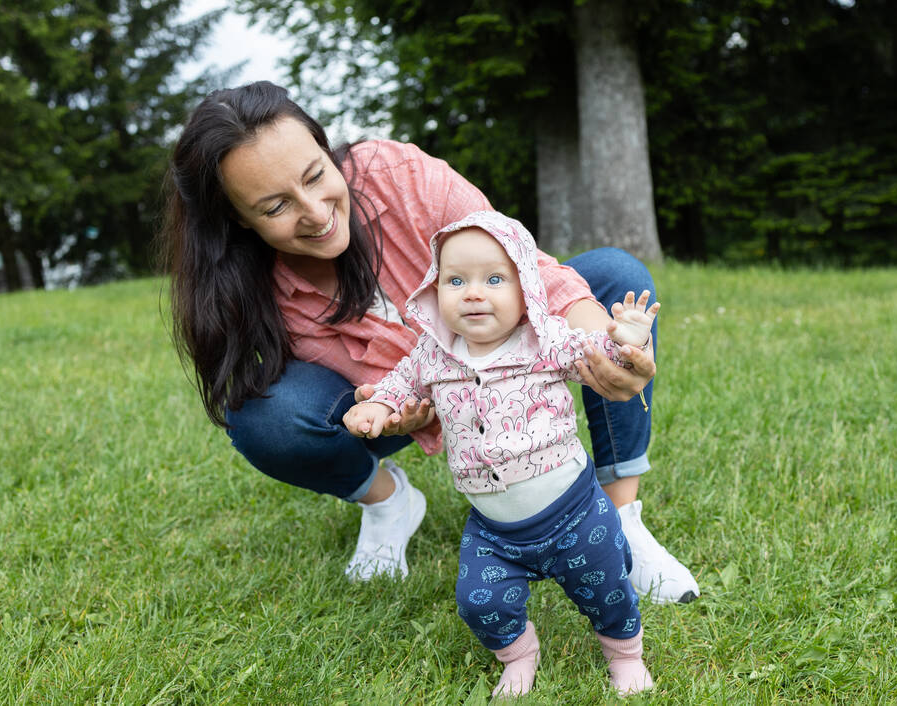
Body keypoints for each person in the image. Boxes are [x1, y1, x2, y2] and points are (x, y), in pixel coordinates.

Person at [159, 80, 698, 603]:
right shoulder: (252, 290)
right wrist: (397, 409)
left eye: (316, 175)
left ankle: (620, 518)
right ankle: (388, 502)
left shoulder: (395, 173)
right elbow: (381, 384)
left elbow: (524, 267)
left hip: (510, 346)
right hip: (390, 400)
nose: (317, 212)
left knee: (614, 277)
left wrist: (606, 346)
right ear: (237, 218)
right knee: (265, 417)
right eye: (275, 207)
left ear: (326, 149)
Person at [344, 210, 658, 696]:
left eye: (493, 279)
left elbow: (595, 352)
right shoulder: (434, 354)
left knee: (607, 588)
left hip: (575, 514)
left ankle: (625, 656)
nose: (473, 293)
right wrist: (379, 405)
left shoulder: (544, 340)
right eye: (455, 281)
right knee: (479, 601)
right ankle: (518, 654)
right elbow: (401, 381)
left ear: (525, 287)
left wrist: (626, 341)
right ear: (434, 289)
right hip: (493, 530)